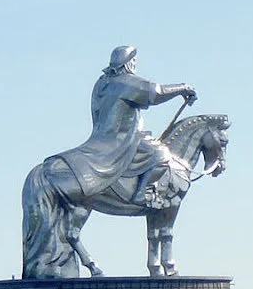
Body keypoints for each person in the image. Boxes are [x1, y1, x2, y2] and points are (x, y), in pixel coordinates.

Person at [54, 46, 198, 209]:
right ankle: (142, 193)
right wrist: (182, 88)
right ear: (126, 63)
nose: (134, 64)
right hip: (122, 138)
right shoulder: (126, 82)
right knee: (160, 153)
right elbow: (156, 92)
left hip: (101, 136)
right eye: (133, 61)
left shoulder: (102, 83)